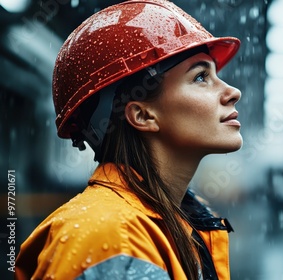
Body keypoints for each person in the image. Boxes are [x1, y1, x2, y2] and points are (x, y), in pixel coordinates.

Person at [15, 0, 242, 279]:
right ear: (142, 115)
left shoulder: (178, 222)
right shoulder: (106, 237)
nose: (233, 92)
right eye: (200, 77)